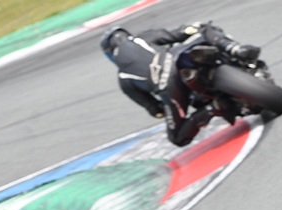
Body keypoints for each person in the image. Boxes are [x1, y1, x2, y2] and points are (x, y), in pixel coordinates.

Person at [100, 21, 261, 146]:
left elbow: (155, 109)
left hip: (169, 89)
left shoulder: (124, 79)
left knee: (177, 137)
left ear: (109, 53)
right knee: (206, 29)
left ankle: (213, 107)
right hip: (177, 59)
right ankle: (235, 49)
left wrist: (166, 108)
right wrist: (193, 27)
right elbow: (178, 34)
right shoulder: (142, 38)